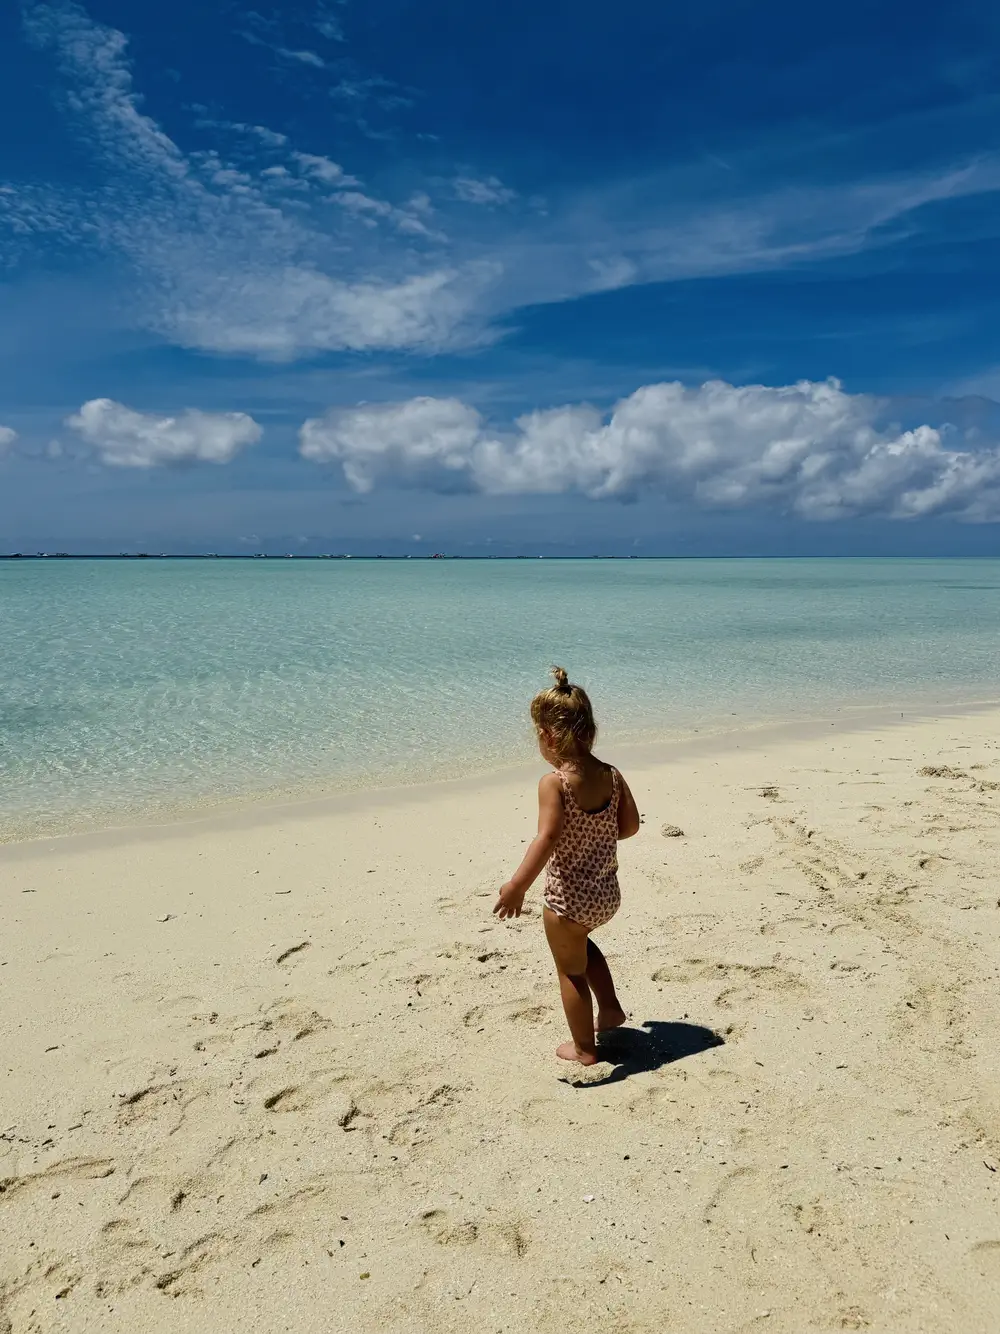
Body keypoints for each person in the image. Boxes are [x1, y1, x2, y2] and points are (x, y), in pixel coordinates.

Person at [494, 667, 641, 1065]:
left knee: (570, 972)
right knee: (583, 946)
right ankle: (609, 1008)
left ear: (546, 736)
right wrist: (596, 834)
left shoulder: (554, 783)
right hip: (605, 894)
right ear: (591, 730)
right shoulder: (612, 775)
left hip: (566, 901)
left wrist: (517, 886)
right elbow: (629, 828)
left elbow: (546, 839)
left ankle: (583, 1049)